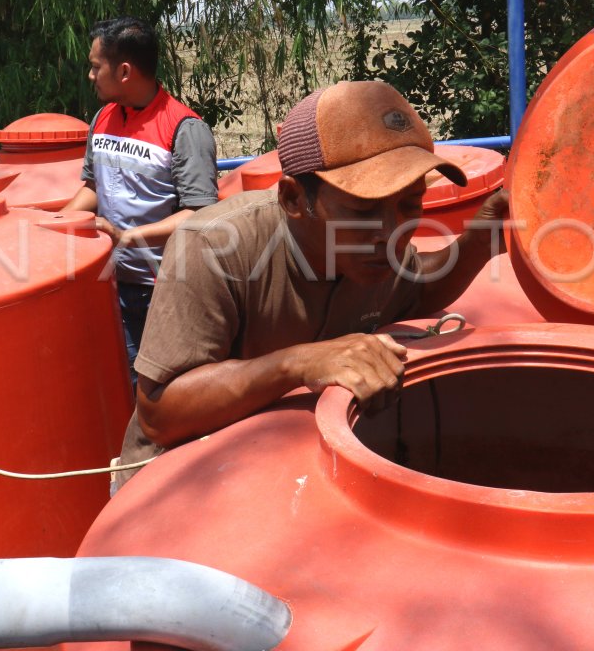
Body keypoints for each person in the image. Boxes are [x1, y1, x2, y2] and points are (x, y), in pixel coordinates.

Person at [113, 80, 508, 490]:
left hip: (283, 472)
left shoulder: (372, 251)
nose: (392, 232)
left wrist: (478, 243)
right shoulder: (213, 246)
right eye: (362, 209)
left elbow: (418, 289)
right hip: (178, 490)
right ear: (293, 199)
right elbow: (159, 415)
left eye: (410, 203)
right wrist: (300, 363)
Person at [62, 17, 218, 387]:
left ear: (126, 71)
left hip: (163, 290)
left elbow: (201, 213)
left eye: (96, 67)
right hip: (109, 282)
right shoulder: (103, 118)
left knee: (158, 393)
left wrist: (127, 237)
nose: (90, 75)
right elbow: (93, 187)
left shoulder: (184, 129)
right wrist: (56, 223)